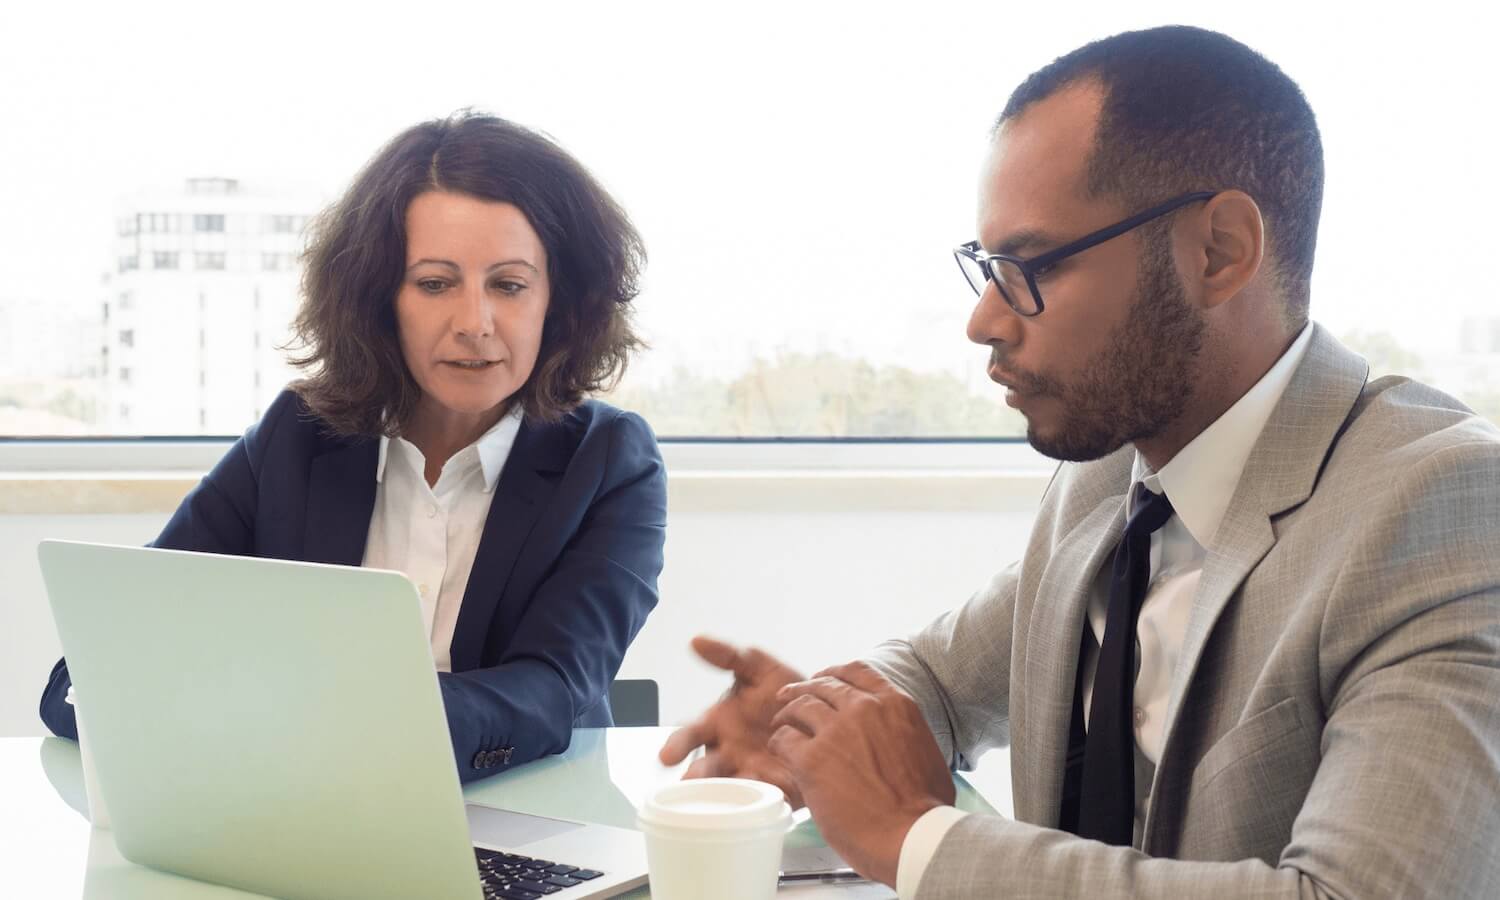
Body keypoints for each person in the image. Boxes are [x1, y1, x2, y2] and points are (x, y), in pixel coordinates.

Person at [660, 25, 1500, 898]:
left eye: (1031, 265)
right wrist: (815, 726)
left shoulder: (1445, 506)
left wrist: (910, 838)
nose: (983, 319)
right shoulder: (1114, 471)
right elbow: (946, 681)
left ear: (1219, 252)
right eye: (987, 266)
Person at [40, 111, 667, 783]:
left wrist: (322, 720)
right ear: (379, 298)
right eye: (434, 283)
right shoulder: (297, 437)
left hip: (533, 814)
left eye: (509, 285)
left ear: (560, 303)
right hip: (303, 809)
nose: (474, 324)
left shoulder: (611, 462)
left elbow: (553, 690)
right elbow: (96, 667)